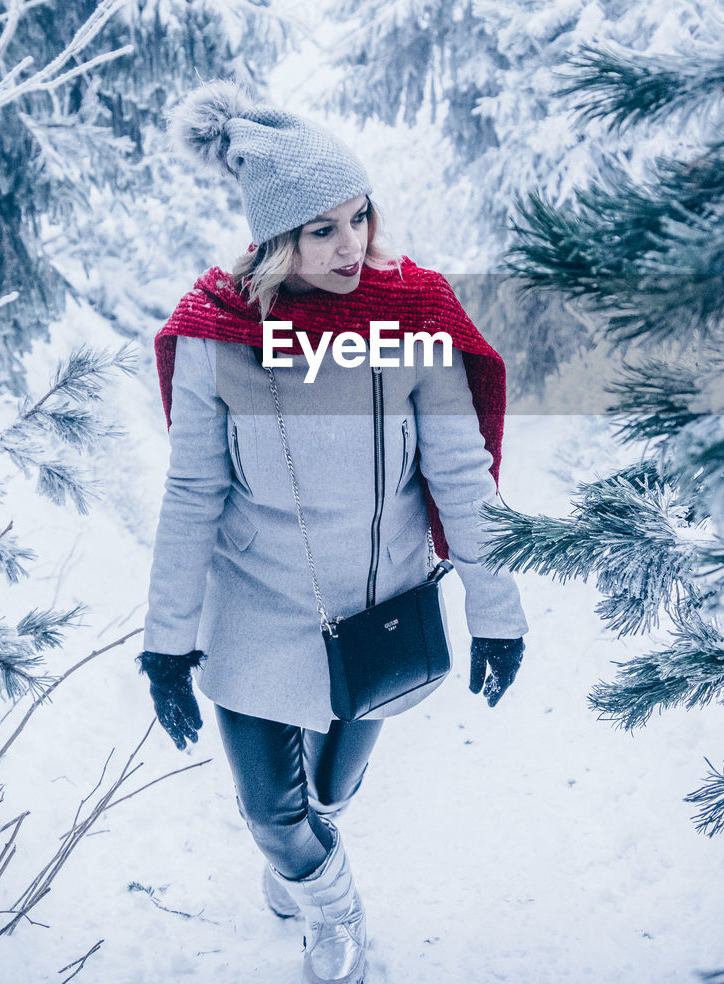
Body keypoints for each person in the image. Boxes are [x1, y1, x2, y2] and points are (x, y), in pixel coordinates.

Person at [138, 79, 528, 984]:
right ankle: (332, 912)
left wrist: (497, 610)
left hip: (377, 612)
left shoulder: (412, 319)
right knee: (273, 812)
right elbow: (192, 492)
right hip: (256, 609)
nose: (349, 244)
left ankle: (305, 865)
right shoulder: (217, 338)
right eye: (321, 230)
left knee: (328, 794)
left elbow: (461, 477)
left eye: (357, 218)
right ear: (276, 241)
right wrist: (166, 647)